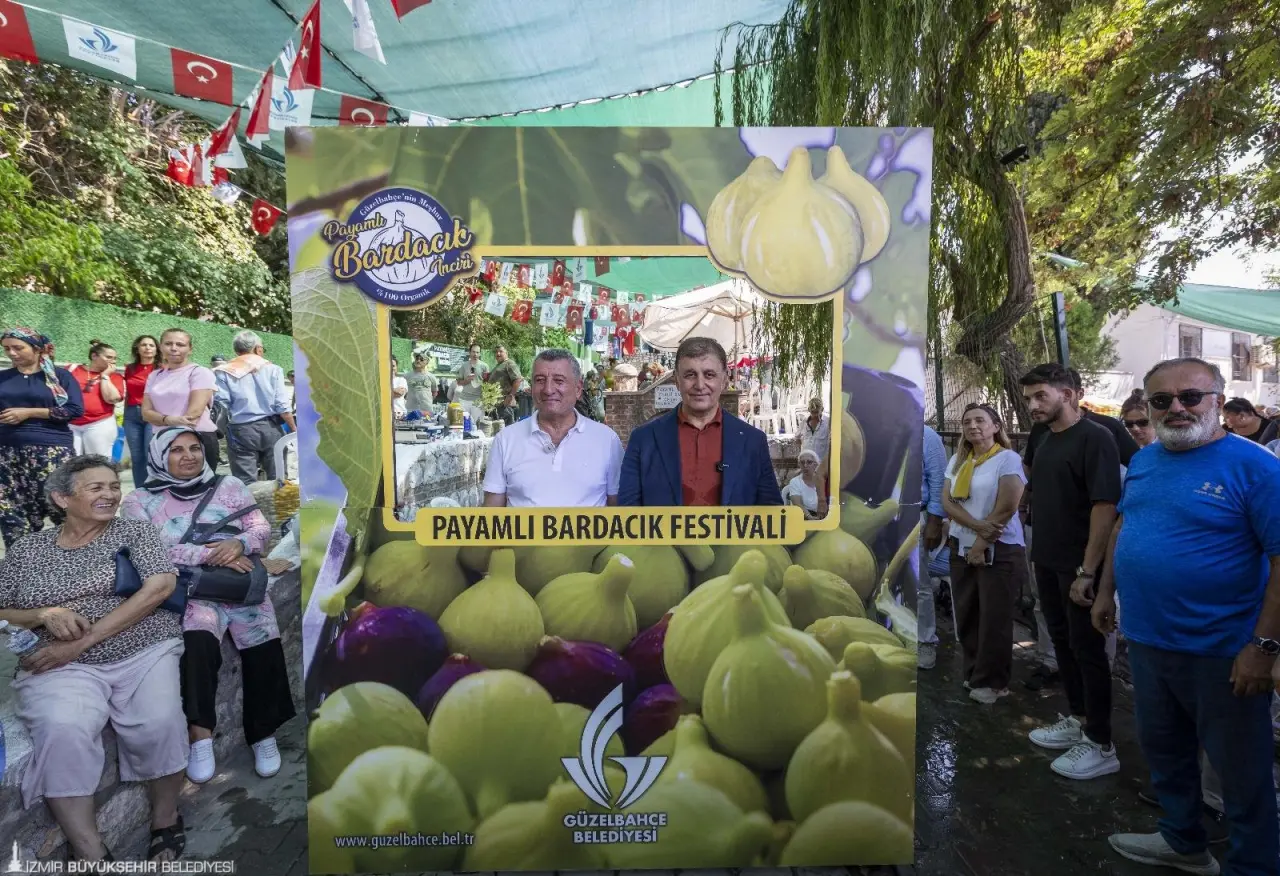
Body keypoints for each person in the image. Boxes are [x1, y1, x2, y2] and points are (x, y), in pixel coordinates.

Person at [1091, 358, 1280, 875]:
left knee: (1242, 774)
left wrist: (1263, 648)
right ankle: (1183, 843)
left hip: (1223, 650)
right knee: (1165, 751)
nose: (1176, 408)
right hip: (1149, 640)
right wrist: (1107, 593)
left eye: (1190, 397)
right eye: (1161, 400)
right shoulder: (1149, 460)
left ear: (1218, 400)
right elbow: (1125, 526)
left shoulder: (1257, 467)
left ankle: (1255, 865)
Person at [0, 455, 187, 863]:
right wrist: (43, 615)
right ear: (62, 498)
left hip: (142, 647)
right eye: (97, 487)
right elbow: (1, 607)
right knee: (62, 728)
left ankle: (166, 817)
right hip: (57, 662)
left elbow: (160, 587)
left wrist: (83, 642)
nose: (110, 494)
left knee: (159, 721)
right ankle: (90, 850)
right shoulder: (27, 549)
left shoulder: (133, 531)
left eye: (114, 486)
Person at [121, 429, 295, 783]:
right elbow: (149, 550)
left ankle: (263, 735)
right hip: (190, 590)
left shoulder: (229, 485)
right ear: (158, 455)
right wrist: (214, 555)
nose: (189, 456)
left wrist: (239, 543)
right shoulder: (139, 500)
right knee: (197, 647)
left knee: (264, 646)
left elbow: (260, 528)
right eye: (177, 450)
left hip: (241, 585)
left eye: (195, 448)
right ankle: (200, 736)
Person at [1020, 362, 1121, 780]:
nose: (1032, 405)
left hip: (1079, 566)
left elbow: (1105, 507)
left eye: (1041, 395)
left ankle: (1101, 742)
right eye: (1028, 398)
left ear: (1069, 392)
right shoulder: (1043, 437)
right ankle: (1078, 718)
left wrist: (1088, 571)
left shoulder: (1096, 437)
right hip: (1046, 558)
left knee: (1088, 650)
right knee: (1061, 643)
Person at [619, 337, 784, 507]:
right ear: (677, 380)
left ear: (724, 380)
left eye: (709, 375)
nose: (699, 385)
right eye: (690, 375)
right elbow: (627, 514)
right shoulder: (643, 440)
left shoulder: (753, 441)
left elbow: (771, 514)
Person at [942, 404, 1027, 704]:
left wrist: (982, 541)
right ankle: (974, 672)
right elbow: (947, 502)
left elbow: (1007, 505)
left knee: (994, 616)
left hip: (999, 548)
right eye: (967, 422)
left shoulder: (1007, 459)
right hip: (960, 544)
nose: (973, 426)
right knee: (967, 612)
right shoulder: (958, 460)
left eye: (980, 420)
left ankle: (994, 683)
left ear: (995, 426)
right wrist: (978, 528)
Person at [482, 350, 622, 507]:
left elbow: (617, 510)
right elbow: (492, 515)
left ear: (578, 389)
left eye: (559, 381)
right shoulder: (506, 440)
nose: (548, 390)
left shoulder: (606, 440)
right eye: (540, 380)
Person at [0, 327, 85, 548]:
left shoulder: (59, 377)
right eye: (7, 348)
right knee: (12, 513)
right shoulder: (3, 378)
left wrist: (29, 412)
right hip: (7, 453)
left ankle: (71, 561)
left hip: (50, 451)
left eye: (18, 348)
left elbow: (74, 410)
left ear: (37, 349)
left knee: (62, 508)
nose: (12, 353)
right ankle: (21, 566)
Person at [213, 331, 296, 484]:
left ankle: (250, 507)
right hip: (271, 428)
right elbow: (282, 406)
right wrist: (293, 428)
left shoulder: (223, 372)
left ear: (237, 351)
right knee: (279, 478)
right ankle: (279, 507)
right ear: (258, 349)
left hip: (240, 431)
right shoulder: (273, 369)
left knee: (245, 481)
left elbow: (221, 404)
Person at [142, 329, 220, 469]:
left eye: (180, 344)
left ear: (190, 349)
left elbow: (193, 414)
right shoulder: (154, 376)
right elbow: (146, 412)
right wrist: (168, 420)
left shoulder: (199, 373)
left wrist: (161, 420)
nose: (173, 348)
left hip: (196, 440)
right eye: (168, 343)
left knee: (199, 489)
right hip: (162, 441)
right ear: (160, 347)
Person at [918, 423, 948, 671]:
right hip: (883, 516)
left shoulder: (926, 436)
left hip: (915, 516)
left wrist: (934, 521)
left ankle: (925, 641)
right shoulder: (878, 432)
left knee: (920, 584)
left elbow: (938, 480)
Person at [68, 340, 124, 458]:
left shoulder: (115, 376)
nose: (113, 361)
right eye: (109, 357)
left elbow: (112, 399)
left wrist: (105, 376)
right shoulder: (72, 370)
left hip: (99, 423)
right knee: (69, 461)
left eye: (114, 358)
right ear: (94, 356)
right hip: (70, 423)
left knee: (97, 461)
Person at [123, 336, 160, 487]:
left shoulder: (162, 368)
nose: (147, 348)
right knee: (137, 457)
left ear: (157, 349)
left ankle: (154, 488)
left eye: (151, 345)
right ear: (137, 348)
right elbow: (127, 393)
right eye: (143, 345)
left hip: (153, 413)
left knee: (149, 454)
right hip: (132, 415)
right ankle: (140, 491)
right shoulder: (130, 368)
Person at [781, 449, 824, 518]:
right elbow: (798, 504)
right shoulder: (795, 482)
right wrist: (809, 516)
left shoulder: (823, 480)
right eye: (802, 462)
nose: (805, 465)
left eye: (809, 462)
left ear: (816, 464)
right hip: (803, 518)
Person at [488, 345, 523, 425]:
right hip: (497, 404)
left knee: (508, 431)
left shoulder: (509, 363)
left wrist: (510, 396)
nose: (498, 353)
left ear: (506, 353)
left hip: (505, 404)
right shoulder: (499, 365)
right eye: (496, 352)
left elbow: (517, 379)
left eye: (501, 351)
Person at [454, 344, 488, 423]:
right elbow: (459, 382)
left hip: (478, 401)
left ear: (480, 353)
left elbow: (487, 383)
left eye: (477, 352)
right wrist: (466, 381)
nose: (475, 354)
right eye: (473, 352)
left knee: (477, 425)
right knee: (463, 425)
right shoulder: (464, 365)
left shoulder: (484, 366)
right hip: (464, 400)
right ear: (469, 352)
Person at [404, 353, 438, 418]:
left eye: (421, 359)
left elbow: (435, 392)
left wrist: (427, 400)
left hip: (427, 410)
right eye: (417, 359)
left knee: (427, 425)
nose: (418, 361)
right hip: (411, 409)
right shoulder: (407, 376)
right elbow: (404, 394)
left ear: (427, 362)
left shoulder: (431, 377)